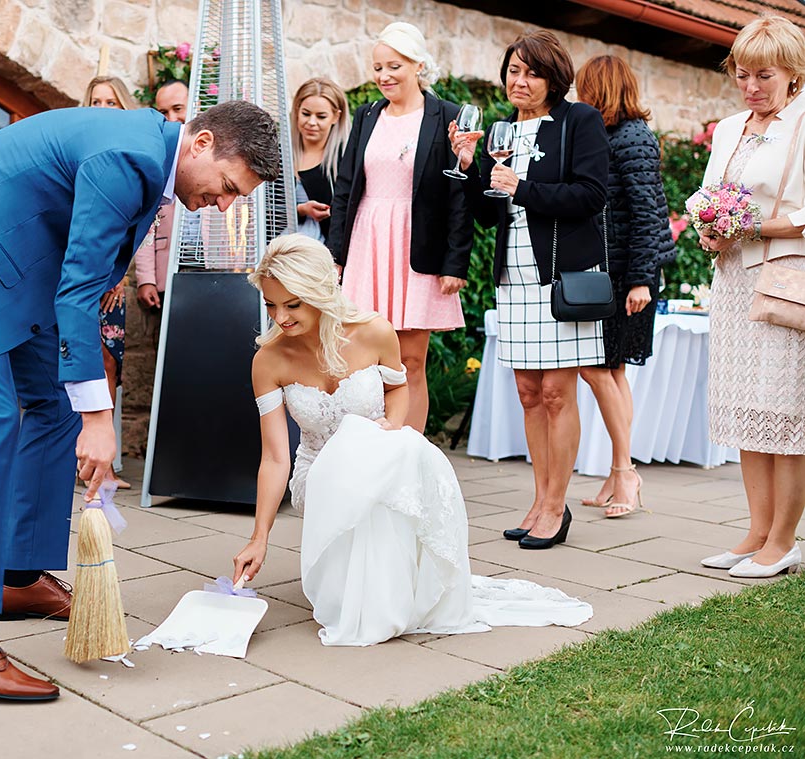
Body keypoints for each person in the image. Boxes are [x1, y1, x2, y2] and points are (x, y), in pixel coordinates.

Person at [0, 100, 280, 699]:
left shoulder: (155, 153)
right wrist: (99, 419)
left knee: (51, 404)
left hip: (19, 268)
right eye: (227, 187)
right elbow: (75, 293)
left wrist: (84, 397)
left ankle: (18, 577)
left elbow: (87, 264)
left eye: (238, 198)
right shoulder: (129, 156)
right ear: (201, 143)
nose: (224, 205)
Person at [230, 234, 591, 646]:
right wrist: (259, 538)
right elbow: (276, 458)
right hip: (320, 475)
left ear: (321, 292)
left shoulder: (374, 331)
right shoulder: (268, 360)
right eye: (271, 305)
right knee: (349, 602)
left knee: (400, 480)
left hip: (381, 462)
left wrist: (394, 425)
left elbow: (397, 389)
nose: (281, 318)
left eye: (292, 304)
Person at [449, 29, 609, 549]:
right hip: (512, 278)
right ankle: (539, 500)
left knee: (559, 394)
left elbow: (591, 195)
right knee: (528, 393)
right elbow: (489, 215)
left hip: (559, 279)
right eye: (514, 70)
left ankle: (557, 507)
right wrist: (472, 168)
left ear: (554, 78)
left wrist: (523, 188)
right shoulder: (500, 131)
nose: (520, 81)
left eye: (532, 72)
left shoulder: (577, 122)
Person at [696, 16, 805, 579]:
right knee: (745, 407)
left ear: (793, 73)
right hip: (733, 279)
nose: (751, 87)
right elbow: (713, 194)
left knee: (782, 409)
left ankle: (785, 540)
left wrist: (756, 227)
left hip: (785, 280)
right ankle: (756, 530)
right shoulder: (731, 126)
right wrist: (709, 224)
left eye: (764, 75)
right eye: (742, 75)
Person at [328, 22, 473, 433]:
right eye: (377, 67)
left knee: (410, 362)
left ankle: (407, 456)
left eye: (394, 65)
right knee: (361, 362)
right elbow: (346, 188)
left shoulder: (447, 115)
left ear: (417, 65)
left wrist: (455, 262)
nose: (383, 76)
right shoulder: (367, 114)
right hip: (367, 243)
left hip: (417, 246)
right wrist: (336, 256)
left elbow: (459, 194)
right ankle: (365, 453)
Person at [574, 55, 675, 518]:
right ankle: (617, 477)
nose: (578, 96)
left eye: (584, 88)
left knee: (597, 369)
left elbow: (648, 214)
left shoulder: (631, 136)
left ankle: (625, 472)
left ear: (602, 89)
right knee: (612, 372)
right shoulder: (612, 135)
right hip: (611, 272)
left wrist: (640, 280)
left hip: (625, 276)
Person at [81, 75, 135, 487]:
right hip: (80, 280)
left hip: (114, 286)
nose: (102, 108)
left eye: (110, 101)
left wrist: (121, 274)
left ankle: (105, 464)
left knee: (108, 367)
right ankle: (74, 455)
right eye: (95, 101)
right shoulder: (82, 153)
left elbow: (139, 224)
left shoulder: (133, 159)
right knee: (75, 364)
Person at [135, 79, 202, 330]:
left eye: (178, 108)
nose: (172, 118)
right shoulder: (153, 156)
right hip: (169, 271)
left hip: (211, 266)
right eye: (164, 112)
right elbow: (144, 224)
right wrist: (145, 279)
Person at [290, 78, 350, 242]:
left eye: (321, 116)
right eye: (306, 114)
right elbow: (264, 211)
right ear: (297, 110)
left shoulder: (346, 158)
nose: (311, 122)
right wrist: (301, 210)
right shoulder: (280, 155)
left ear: (336, 117)